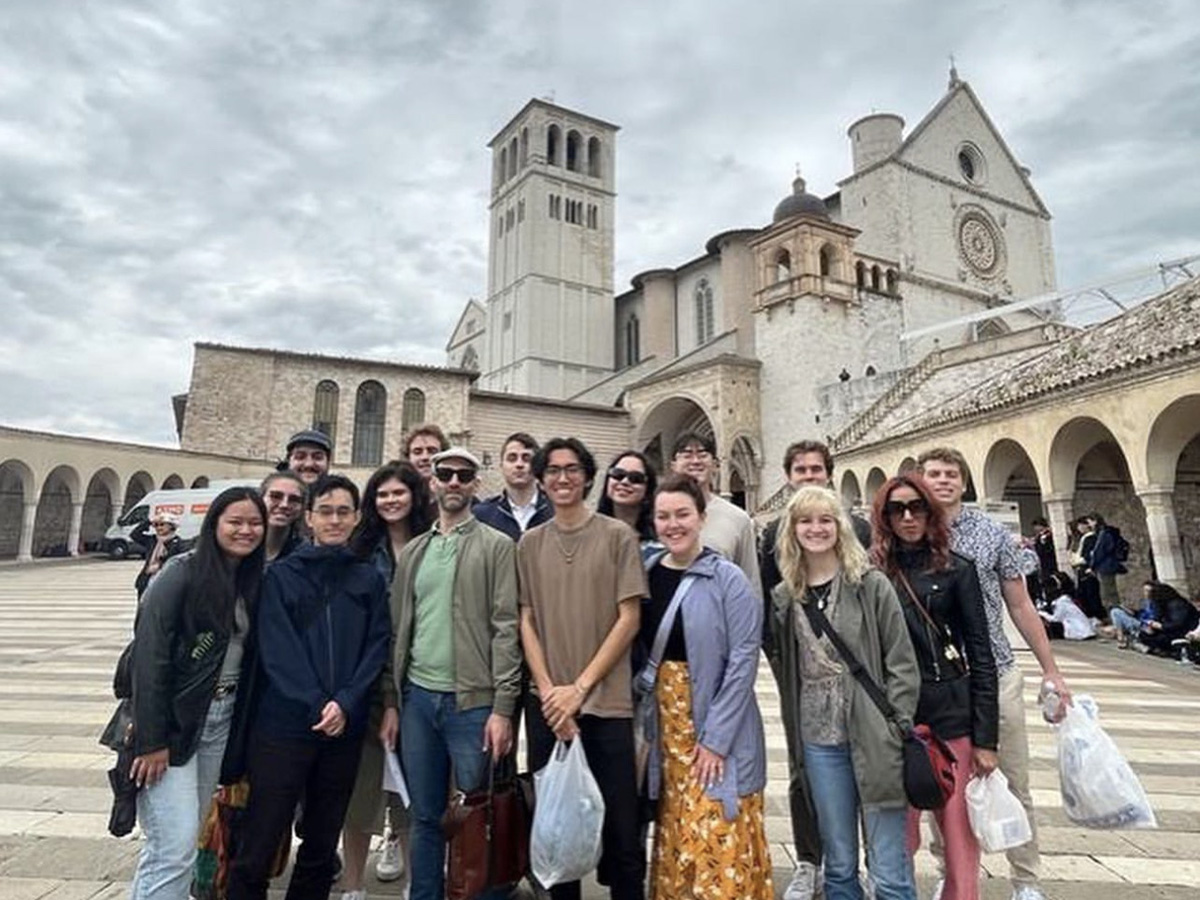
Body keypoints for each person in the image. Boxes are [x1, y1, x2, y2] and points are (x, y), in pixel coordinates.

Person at [918, 448, 1072, 900]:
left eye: (951, 474)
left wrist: (1051, 670)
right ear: (921, 480)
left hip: (998, 672)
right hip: (940, 680)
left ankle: (1026, 879)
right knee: (938, 781)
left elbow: (1020, 603)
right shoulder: (911, 534)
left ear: (963, 483)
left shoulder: (991, 532)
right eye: (934, 474)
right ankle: (950, 870)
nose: (943, 481)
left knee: (1012, 778)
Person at [227, 475, 391, 900]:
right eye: (325, 511)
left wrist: (346, 702)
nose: (334, 520)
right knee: (262, 834)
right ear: (309, 518)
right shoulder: (282, 576)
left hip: (343, 729)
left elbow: (376, 646)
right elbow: (279, 650)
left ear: (356, 518)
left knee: (321, 840)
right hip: (285, 726)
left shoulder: (368, 579)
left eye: (343, 512)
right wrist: (320, 703)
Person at [766, 485, 919, 900]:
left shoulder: (869, 584)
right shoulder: (785, 596)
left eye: (825, 519)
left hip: (873, 730)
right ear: (792, 529)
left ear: (841, 526)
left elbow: (902, 662)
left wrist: (897, 725)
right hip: (819, 738)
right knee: (838, 861)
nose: (816, 529)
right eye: (805, 520)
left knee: (888, 865)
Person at [382, 446, 521, 900]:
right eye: (447, 474)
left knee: (479, 814)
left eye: (464, 474)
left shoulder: (498, 547)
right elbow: (398, 628)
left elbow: (506, 628)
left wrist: (503, 707)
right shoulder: (416, 552)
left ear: (475, 484)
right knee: (424, 815)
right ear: (434, 482)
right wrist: (392, 701)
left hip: (473, 704)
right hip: (419, 700)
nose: (455, 481)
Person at [517, 437, 646, 900]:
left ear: (589, 477)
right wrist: (552, 691)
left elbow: (628, 617)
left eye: (572, 469)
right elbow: (526, 619)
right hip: (549, 706)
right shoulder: (530, 543)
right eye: (552, 470)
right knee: (557, 826)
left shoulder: (617, 536)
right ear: (541, 479)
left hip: (606, 704)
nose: (563, 477)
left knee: (622, 833)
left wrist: (581, 688)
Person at [128, 487, 267, 900]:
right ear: (215, 525)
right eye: (235, 522)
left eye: (254, 523)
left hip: (219, 721)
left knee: (186, 841)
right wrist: (152, 741)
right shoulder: (181, 572)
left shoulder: (249, 578)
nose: (246, 530)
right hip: (174, 724)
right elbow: (149, 659)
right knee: (173, 846)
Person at [641, 473, 772, 900]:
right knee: (678, 820)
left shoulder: (727, 578)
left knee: (716, 826)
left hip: (716, 722)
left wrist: (716, 740)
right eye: (663, 516)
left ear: (701, 517)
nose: (673, 524)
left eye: (682, 514)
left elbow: (743, 659)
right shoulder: (647, 572)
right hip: (666, 727)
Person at [872, 475, 998, 900]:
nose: (908, 517)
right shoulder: (873, 572)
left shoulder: (957, 568)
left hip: (949, 710)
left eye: (916, 507)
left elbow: (980, 654)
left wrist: (987, 738)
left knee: (958, 827)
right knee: (897, 829)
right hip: (896, 716)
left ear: (930, 510)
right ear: (884, 517)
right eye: (897, 509)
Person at [758, 439, 868, 900]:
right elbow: (766, 602)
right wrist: (780, 658)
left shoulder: (858, 529)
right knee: (804, 763)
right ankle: (808, 860)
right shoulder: (770, 536)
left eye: (815, 469)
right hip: (798, 669)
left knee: (862, 762)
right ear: (788, 477)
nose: (808, 476)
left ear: (828, 474)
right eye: (799, 469)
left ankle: (849, 863)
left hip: (855, 670)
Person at [340, 461, 432, 896]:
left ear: (414, 496)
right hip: (368, 684)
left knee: (413, 795)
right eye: (382, 494)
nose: (391, 500)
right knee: (360, 796)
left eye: (399, 492)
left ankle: (418, 884)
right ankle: (355, 885)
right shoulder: (361, 551)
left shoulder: (433, 545)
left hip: (418, 684)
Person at [669, 432, 760, 595]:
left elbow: (750, 583)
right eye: (687, 455)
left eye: (702, 455)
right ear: (673, 465)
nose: (695, 461)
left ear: (716, 465)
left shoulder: (738, 519)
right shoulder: (657, 515)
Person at [475, 432, 553, 541]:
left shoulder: (555, 512)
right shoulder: (482, 515)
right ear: (501, 466)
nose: (519, 464)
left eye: (526, 458)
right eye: (512, 458)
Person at [596, 449, 662, 560]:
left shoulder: (658, 547)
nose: (625, 482)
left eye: (636, 478)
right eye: (618, 474)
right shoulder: (587, 535)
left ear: (648, 489)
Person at [134, 513, 187, 598]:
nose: (159, 528)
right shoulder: (152, 540)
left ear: (171, 526)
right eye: (156, 525)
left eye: (162, 525)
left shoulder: (178, 544)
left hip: (166, 583)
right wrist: (149, 522)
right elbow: (135, 535)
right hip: (147, 581)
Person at [260, 472, 307, 563]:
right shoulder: (240, 546)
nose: (284, 505)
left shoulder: (305, 555)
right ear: (261, 499)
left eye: (294, 500)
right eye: (276, 496)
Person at [1084, 514, 1126, 616]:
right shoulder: (1105, 532)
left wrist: (1092, 566)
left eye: (1089, 522)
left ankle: (1116, 618)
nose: (1089, 525)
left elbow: (1099, 551)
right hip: (1108, 565)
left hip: (1105, 567)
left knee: (1108, 594)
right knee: (1110, 593)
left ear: (1095, 521)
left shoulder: (1103, 533)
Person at [1068, 519, 1102, 620]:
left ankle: (1097, 616)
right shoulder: (1083, 538)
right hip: (1081, 569)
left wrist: (1078, 561)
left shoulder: (1091, 538)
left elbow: (1088, 555)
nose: (1079, 528)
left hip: (1086, 569)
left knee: (1091, 594)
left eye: (1081, 526)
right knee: (1083, 594)